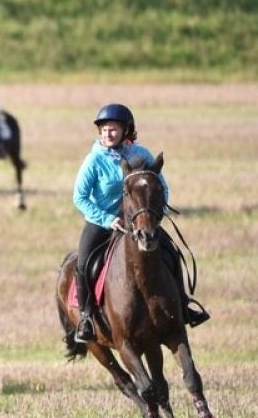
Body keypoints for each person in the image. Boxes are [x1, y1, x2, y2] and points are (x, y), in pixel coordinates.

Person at [71, 103, 207, 344]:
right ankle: (86, 318)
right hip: (103, 223)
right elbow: (79, 197)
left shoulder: (141, 154)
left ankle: (184, 307)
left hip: (141, 221)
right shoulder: (93, 161)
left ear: (126, 130)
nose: (107, 134)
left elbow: (161, 186)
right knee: (84, 264)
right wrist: (107, 219)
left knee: (171, 253)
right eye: (103, 129)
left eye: (113, 129)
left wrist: (156, 213)